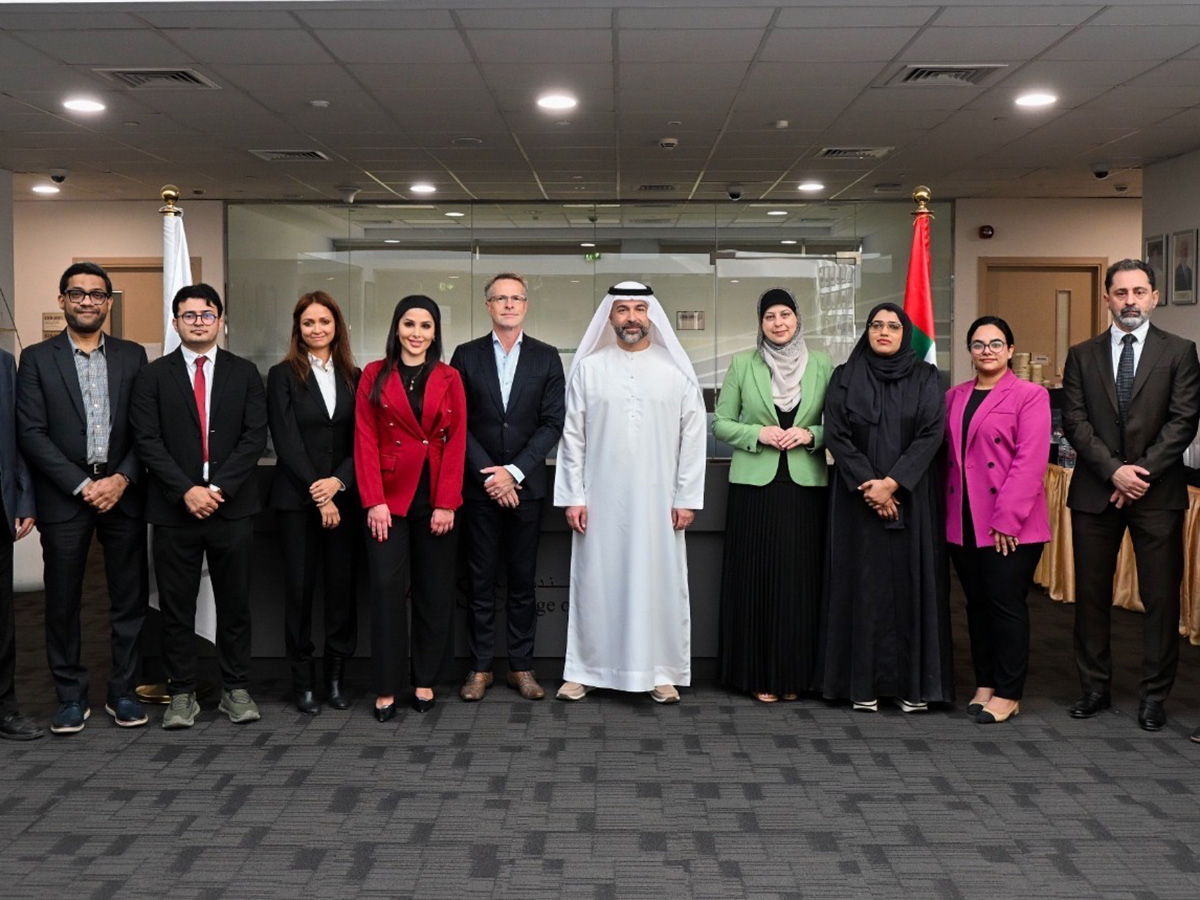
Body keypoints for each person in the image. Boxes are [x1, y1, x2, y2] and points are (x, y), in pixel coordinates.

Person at [1062, 259, 1200, 733]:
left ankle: (1154, 696)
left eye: (1139, 292)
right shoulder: (1082, 354)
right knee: (1091, 597)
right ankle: (1094, 688)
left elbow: (1183, 420)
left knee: (1160, 599)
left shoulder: (1180, 351)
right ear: (1106, 299)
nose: (1130, 301)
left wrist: (1138, 474)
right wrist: (1113, 471)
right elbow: (1074, 421)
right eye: (1120, 293)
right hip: (1095, 492)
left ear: (1154, 297)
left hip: (1158, 493)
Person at [554, 281, 706, 703]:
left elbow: (692, 438)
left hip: (660, 502)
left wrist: (686, 498)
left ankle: (660, 671)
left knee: (659, 582)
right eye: (623, 310)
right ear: (610, 317)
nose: (632, 317)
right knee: (596, 582)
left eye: (640, 308)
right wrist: (573, 496)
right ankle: (586, 669)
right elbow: (573, 439)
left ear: (651, 315)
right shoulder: (589, 368)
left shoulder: (674, 370)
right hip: (599, 500)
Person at [16, 262, 149, 734]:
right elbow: (30, 433)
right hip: (65, 498)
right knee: (63, 601)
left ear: (109, 303)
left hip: (123, 495)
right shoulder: (35, 358)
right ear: (62, 300)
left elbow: (145, 431)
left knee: (128, 599)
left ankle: (124, 692)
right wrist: (81, 483)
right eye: (78, 293)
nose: (87, 301)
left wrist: (122, 480)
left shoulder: (134, 356)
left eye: (97, 294)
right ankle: (70, 696)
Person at [130, 283, 268, 729]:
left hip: (232, 509)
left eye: (207, 315)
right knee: (176, 607)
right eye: (188, 315)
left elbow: (253, 438)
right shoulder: (153, 376)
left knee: (234, 605)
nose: (198, 322)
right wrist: (186, 490)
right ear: (175, 323)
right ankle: (182, 693)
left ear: (220, 321)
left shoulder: (245, 373)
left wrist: (218, 489)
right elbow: (146, 441)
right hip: (174, 510)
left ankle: (236, 689)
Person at [817, 302, 952, 712]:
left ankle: (913, 688)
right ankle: (861, 686)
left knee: (911, 587)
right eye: (876, 325)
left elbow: (932, 433)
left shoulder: (928, 377)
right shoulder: (845, 376)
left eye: (893, 326)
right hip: (857, 502)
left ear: (905, 333)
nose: (884, 332)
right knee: (862, 589)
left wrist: (892, 483)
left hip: (912, 501)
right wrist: (870, 486)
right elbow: (837, 435)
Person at [712, 288, 832, 702]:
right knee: (757, 581)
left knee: (799, 583)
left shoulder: (822, 364)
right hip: (754, 490)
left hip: (805, 489)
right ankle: (758, 674)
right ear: (760, 323)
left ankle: (794, 675)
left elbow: (841, 424)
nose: (778, 323)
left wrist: (812, 433)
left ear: (798, 319)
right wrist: (756, 433)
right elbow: (722, 423)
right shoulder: (744, 363)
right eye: (769, 317)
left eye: (785, 315)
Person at [450, 273, 565, 702]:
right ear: (488, 306)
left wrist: (513, 472)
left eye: (516, 298)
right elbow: (457, 422)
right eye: (501, 298)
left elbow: (552, 423)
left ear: (526, 305)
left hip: (526, 488)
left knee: (522, 583)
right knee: (479, 582)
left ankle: (521, 667)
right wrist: (491, 475)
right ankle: (479, 669)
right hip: (479, 490)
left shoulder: (547, 357)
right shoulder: (465, 356)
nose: (509, 305)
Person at [355, 295, 466, 720]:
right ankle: (385, 686)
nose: (416, 334)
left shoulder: (449, 377)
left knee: (434, 594)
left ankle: (424, 681)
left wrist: (447, 502)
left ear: (435, 332)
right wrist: (374, 501)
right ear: (396, 329)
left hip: (435, 500)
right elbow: (364, 440)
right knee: (385, 591)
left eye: (425, 326)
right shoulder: (374, 375)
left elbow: (456, 441)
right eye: (408, 324)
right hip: (389, 499)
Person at [945, 316, 1051, 725]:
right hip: (963, 519)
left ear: (1010, 350)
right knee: (975, 605)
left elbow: (1029, 461)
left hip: (1011, 525)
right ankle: (985, 683)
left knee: (1006, 605)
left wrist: (1007, 520)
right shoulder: (954, 396)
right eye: (977, 344)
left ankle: (1009, 692)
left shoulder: (1030, 395)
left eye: (995, 343)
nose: (986, 350)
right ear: (969, 351)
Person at [267, 292, 360, 715]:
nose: (317, 329)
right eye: (308, 323)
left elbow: (363, 442)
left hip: (344, 500)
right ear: (297, 328)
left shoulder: (356, 377)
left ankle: (336, 681)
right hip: (297, 503)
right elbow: (286, 441)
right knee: (299, 594)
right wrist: (319, 491)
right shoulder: (282, 375)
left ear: (336, 326)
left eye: (324, 321)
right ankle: (302, 683)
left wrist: (337, 484)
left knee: (341, 593)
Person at [0, 346, 38, 740]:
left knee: (3, 620)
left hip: (1, 511)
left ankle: (4, 707)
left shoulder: (3, 361)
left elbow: (17, 435)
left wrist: (24, 496)